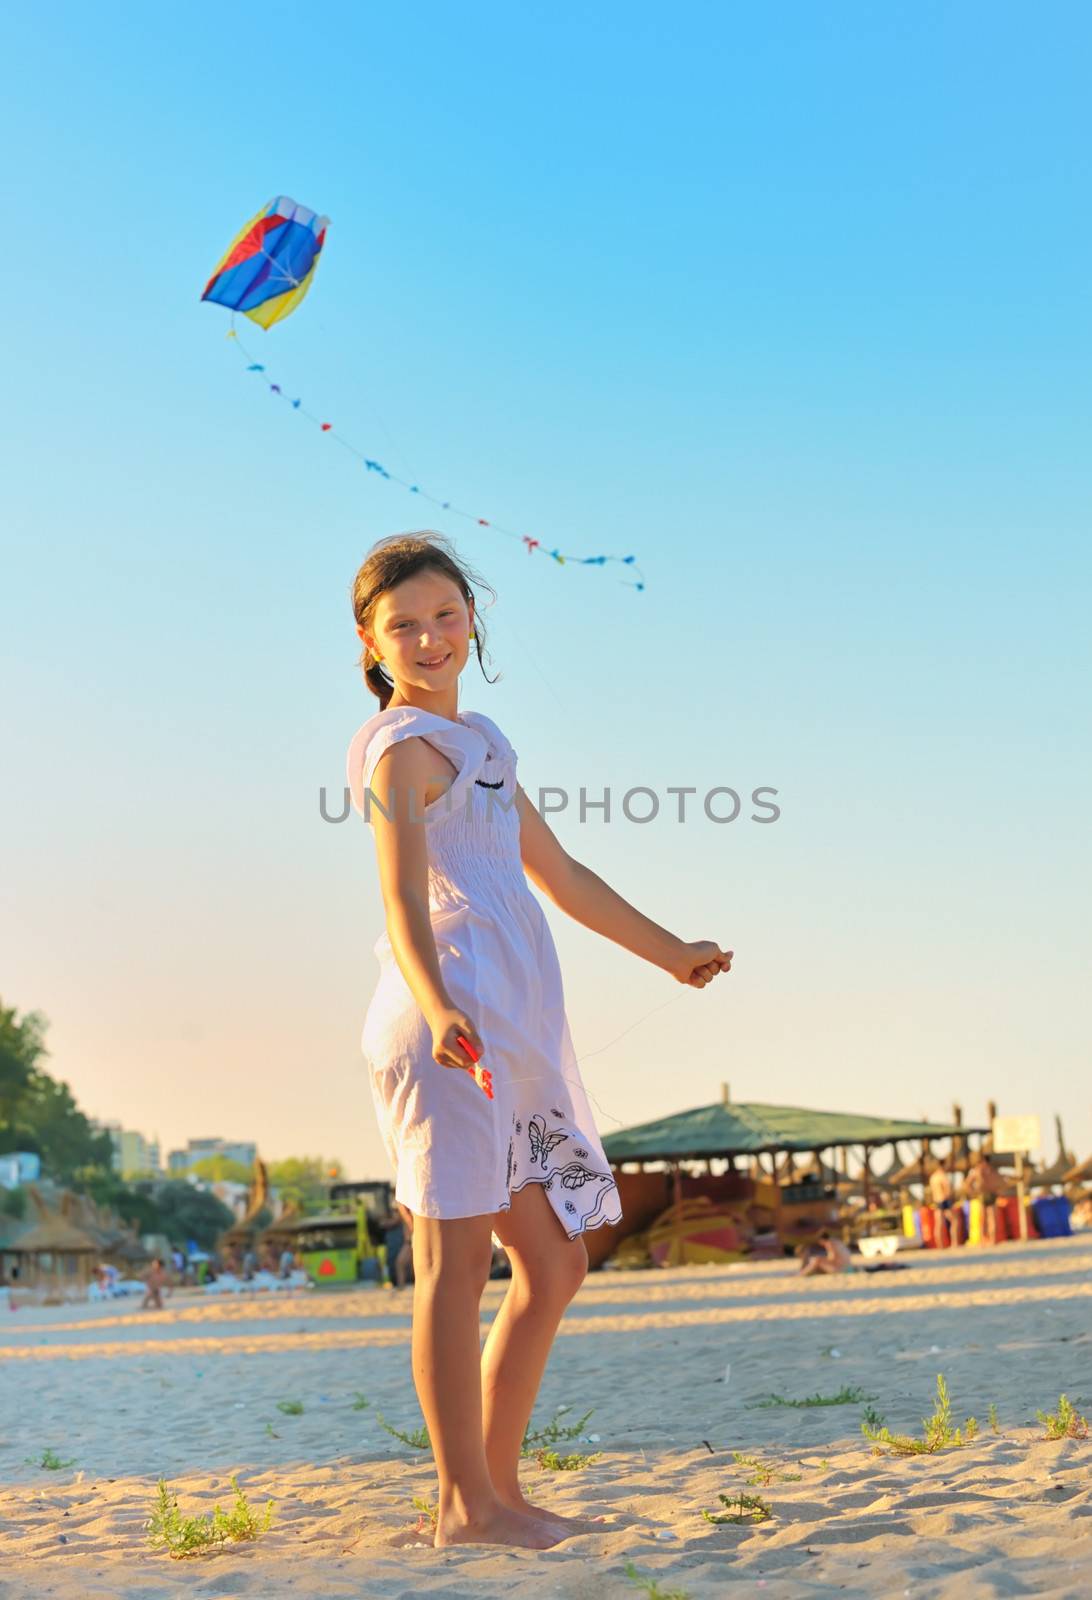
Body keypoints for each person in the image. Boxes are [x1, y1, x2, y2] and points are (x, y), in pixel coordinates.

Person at [347, 533, 733, 1551]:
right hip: (448, 1031)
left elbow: (561, 877)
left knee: (553, 1264)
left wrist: (671, 952)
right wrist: (437, 1008)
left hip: (511, 1031)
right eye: (405, 625)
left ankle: (498, 1492)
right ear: (371, 641)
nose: (429, 639)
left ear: (471, 616)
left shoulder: (483, 742)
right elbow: (398, 897)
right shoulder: (395, 749)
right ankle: (464, 1506)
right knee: (455, 1267)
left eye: (444, 616)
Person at [963, 1150, 1006, 1245]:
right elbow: (1000, 1182)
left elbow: (967, 1183)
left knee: (983, 1219)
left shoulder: (977, 1170)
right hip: (992, 1194)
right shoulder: (992, 1170)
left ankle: (983, 1240)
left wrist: (973, 1192)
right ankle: (993, 1240)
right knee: (992, 1218)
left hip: (982, 1194)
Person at [928, 1156, 963, 1247]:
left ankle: (940, 1245)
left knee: (938, 1224)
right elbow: (948, 1190)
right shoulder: (943, 1176)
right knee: (955, 1221)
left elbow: (932, 1191)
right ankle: (954, 1243)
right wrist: (952, 1198)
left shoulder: (933, 1177)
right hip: (945, 1200)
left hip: (937, 1200)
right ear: (944, 1165)